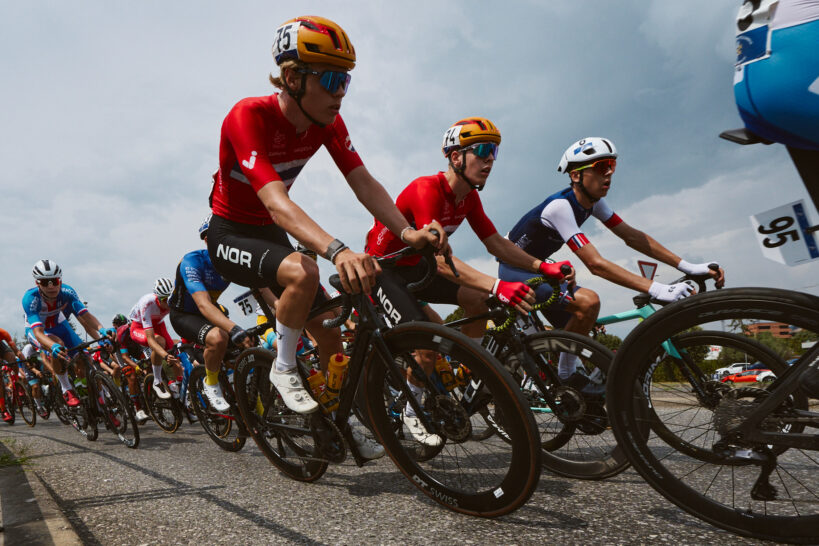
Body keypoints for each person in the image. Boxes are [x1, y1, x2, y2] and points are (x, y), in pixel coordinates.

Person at [206, 15, 445, 428]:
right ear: (293, 78)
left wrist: (407, 231)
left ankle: (334, 420)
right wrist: (337, 249)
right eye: (333, 81)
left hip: (269, 232)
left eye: (346, 82)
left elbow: (364, 183)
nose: (341, 94)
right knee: (305, 271)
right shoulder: (247, 117)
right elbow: (277, 202)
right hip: (230, 232)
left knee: (330, 330)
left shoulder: (328, 124)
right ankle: (283, 368)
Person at [364, 117, 572, 445]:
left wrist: (540, 266)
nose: (491, 159)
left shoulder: (469, 198)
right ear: (456, 156)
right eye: (484, 150)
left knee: (477, 302)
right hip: (384, 270)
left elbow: (496, 243)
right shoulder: (427, 189)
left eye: (495, 152)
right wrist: (497, 285)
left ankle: (467, 367)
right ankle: (412, 407)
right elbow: (440, 259)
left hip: (416, 267)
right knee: (426, 344)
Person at [500, 137, 724, 389]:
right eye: (600, 166)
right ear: (576, 176)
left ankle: (571, 383)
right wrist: (657, 288)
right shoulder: (559, 207)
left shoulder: (592, 203)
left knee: (583, 330)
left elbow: (631, 236)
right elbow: (595, 263)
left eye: (611, 166)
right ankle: (565, 376)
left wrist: (687, 266)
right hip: (514, 269)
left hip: (540, 266)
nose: (608, 172)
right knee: (589, 302)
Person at [168, 215, 257, 412]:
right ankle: (211, 382)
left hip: (209, 309)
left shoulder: (234, 261)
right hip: (184, 314)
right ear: (207, 240)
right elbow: (203, 305)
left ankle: (249, 401)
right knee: (218, 338)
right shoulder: (192, 261)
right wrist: (235, 329)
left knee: (249, 343)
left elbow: (261, 289)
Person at [22, 260, 116, 407]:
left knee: (85, 357)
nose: (51, 286)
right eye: (45, 282)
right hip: (38, 331)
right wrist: (52, 346)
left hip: (59, 324)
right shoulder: (30, 299)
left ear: (60, 280)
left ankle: (95, 397)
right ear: (37, 283)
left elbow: (85, 317)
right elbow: (39, 332)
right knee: (58, 346)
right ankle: (67, 388)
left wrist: (102, 330)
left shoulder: (67, 292)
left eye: (54, 281)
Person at [128, 278, 181, 400]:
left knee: (174, 350)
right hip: (139, 327)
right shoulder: (147, 303)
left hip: (158, 324)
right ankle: (157, 381)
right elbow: (151, 340)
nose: (168, 302)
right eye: (164, 299)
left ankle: (181, 394)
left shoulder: (175, 300)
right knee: (159, 342)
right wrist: (165, 356)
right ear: (157, 298)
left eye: (170, 298)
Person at [0, 328, 25, 421]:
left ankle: (16, 383)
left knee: (13, 359)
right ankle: (3, 410)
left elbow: (16, 350)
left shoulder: (3, 333)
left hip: (1, 346)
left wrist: (24, 360)